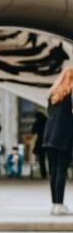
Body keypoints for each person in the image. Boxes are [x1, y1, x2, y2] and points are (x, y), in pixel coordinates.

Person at [42, 67, 73, 215]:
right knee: (61, 171)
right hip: (64, 137)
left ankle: (54, 203)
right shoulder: (70, 94)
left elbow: (49, 112)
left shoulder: (53, 94)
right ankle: (60, 204)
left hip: (49, 136)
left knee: (53, 172)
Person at [32, 111, 48, 179]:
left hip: (40, 141)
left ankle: (43, 174)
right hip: (48, 140)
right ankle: (52, 173)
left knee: (41, 159)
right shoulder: (47, 121)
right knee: (51, 159)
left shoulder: (37, 122)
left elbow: (33, 131)